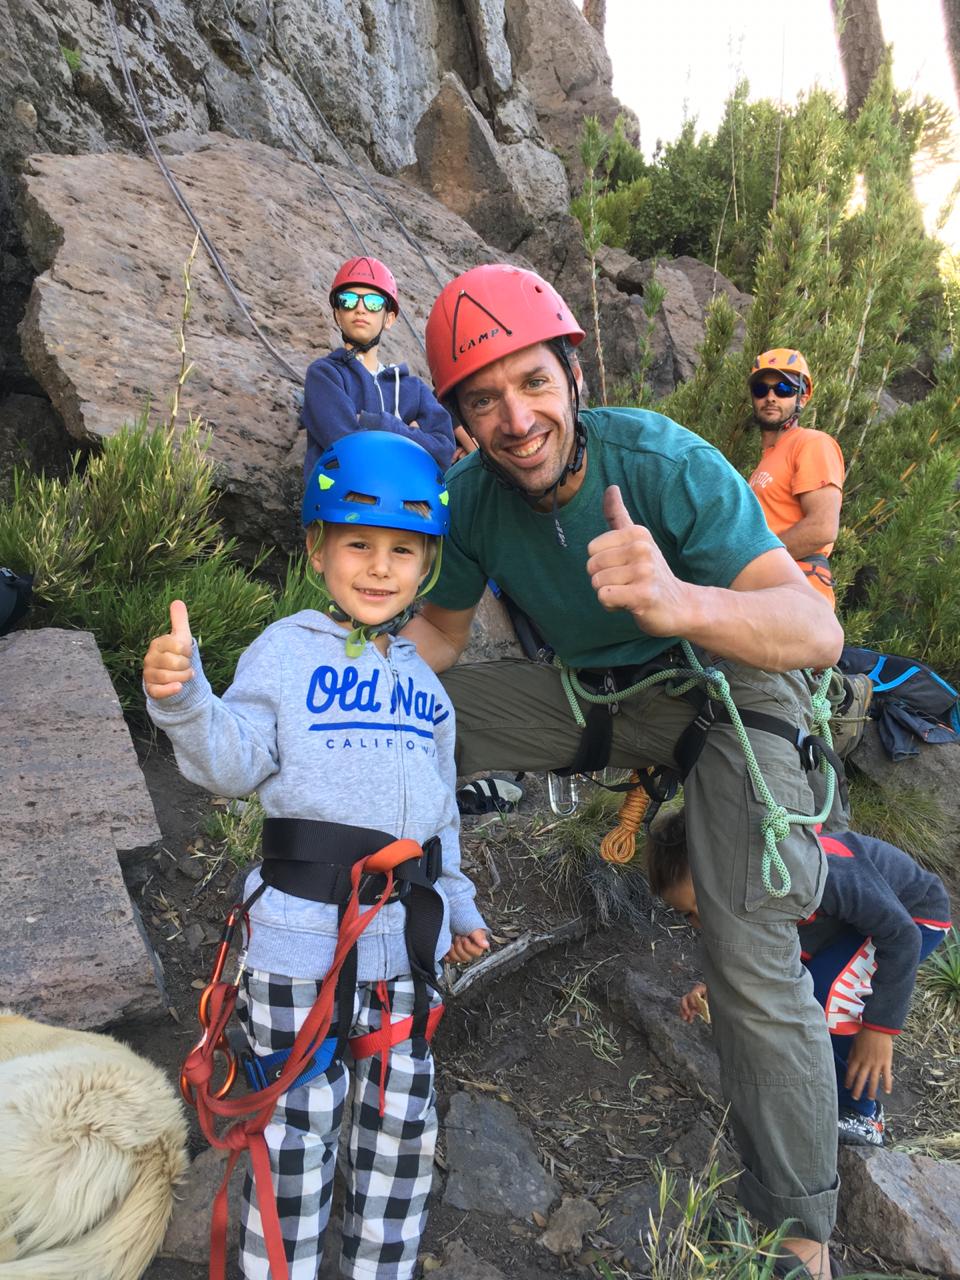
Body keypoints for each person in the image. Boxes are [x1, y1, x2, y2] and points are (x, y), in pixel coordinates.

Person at [404, 263, 846, 1279]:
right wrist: (340, 668)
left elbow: (810, 626)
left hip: (734, 689)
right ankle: (375, 958)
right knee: (400, 722)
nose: (515, 418)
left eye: (532, 383)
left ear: (573, 370)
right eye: (484, 398)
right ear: (463, 417)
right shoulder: (471, 501)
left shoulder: (662, 461)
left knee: (744, 939)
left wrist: (681, 600)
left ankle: (800, 1232)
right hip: (606, 701)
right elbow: (438, 630)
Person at [143, 431, 489, 1280]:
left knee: (400, 1135)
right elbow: (235, 758)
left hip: (403, 949)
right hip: (298, 945)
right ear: (316, 548)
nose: (378, 567)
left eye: (402, 551)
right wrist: (185, 699)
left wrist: (461, 902)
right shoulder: (286, 650)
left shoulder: (428, 687)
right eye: (357, 544)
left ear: (429, 563)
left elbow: (439, 816)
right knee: (293, 1132)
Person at [648, 807, 951, 1147]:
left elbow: (901, 936)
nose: (703, 922)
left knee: (829, 994)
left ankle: (864, 1114)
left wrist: (880, 1029)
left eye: (704, 904)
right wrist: (714, 989)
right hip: (838, 928)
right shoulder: (740, 890)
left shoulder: (821, 873)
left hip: (909, 915)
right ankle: (820, 1085)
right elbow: (756, 958)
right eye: (689, 914)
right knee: (801, 991)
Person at [302, 256, 456, 480]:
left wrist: (377, 423)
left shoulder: (413, 389)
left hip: (407, 510)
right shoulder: (325, 375)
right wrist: (413, 435)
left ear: (389, 318)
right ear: (337, 314)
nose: (361, 309)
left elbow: (443, 451)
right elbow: (348, 445)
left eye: (373, 303)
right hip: (340, 509)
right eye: (348, 300)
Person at [747, 350, 845, 609]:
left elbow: (822, 527)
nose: (770, 397)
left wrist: (754, 562)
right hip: (767, 590)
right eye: (761, 389)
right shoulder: (767, 460)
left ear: (802, 396)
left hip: (797, 592)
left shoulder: (812, 443)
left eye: (783, 389)